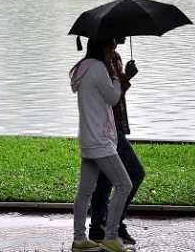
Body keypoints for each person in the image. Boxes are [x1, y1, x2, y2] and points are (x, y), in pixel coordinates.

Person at [69, 38, 132, 252]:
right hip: (100, 140)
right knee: (124, 185)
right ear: (101, 47)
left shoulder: (83, 68)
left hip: (88, 138)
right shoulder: (98, 68)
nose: (113, 50)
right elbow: (113, 98)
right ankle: (111, 237)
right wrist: (116, 77)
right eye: (111, 46)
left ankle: (79, 240)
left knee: (84, 191)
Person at [88, 36, 145, 246]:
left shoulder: (116, 58)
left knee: (105, 179)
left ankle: (98, 228)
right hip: (105, 128)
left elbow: (118, 95)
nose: (124, 35)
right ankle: (114, 222)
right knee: (135, 173)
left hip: (117, 125)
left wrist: (126, 78)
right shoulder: (97, 65)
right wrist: (126, 77)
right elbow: (107, 98)